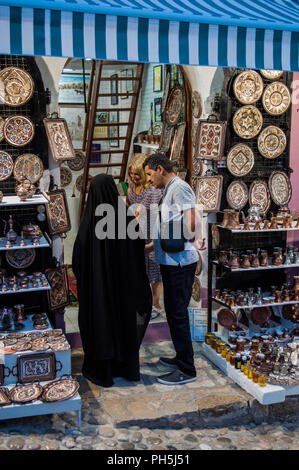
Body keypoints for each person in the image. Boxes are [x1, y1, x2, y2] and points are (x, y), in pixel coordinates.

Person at [72, 174, 152, 387]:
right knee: (123, 323)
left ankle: (102, 370)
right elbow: (137, 251)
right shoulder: (125, 220)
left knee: (100, 324)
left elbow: (77, 261)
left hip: (97, 295)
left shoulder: (88, 226)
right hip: (123, 292)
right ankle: (125, 367)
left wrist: (92, 282)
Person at [143, 153, 201, 385]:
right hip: (170, 261)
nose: (148, 179)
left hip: (179, 262)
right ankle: (181, 358)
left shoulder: (180, 188)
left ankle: (187, 370)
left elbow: (192, 221)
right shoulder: (169, 190)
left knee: (177, 314)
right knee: (174, 312)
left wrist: (172, 239)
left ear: (159, 169)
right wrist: (150, 247)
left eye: (149, 174)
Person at [127, 153, 163, 320]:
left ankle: (156, 304)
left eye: (137, 174)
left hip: (151, 231)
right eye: (131, 173)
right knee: (142, 269)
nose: (134, 177)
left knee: (155, 270)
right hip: (138, 233)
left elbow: (148, 211)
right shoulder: (130, 187)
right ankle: (144, 301)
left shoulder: (152, 190)